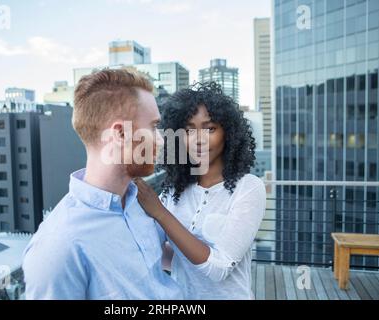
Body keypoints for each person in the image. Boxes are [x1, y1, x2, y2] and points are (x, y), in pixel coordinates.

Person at [22, 69, 183, 300]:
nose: (160, 139)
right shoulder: (59, 247)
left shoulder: (140, 204)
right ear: (120, 134)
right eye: (153, 127)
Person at [134, 82, 266, 300]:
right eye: (188, 130)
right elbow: (159, 249)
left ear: (229, 133)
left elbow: (219, 268)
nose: (199, 140)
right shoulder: (174, 188)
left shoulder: (249, 188)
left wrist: (159, 213)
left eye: (210, 128)